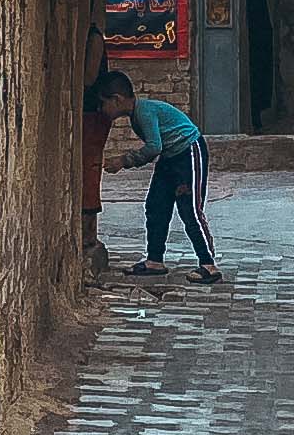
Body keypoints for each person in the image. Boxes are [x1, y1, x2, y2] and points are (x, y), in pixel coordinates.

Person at [95, 69, 222, 281]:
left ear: (116, 100)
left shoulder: (143, 112)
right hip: (169, 157)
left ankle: (208, 264)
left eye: (103, 104)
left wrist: (124, 160)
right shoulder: (137, 114)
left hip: (188, 152)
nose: (102, 109)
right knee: (156, 205)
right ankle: (154, 259)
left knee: (190, 209)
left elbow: (154, 146)